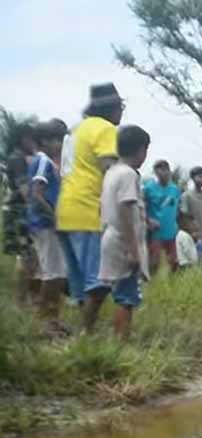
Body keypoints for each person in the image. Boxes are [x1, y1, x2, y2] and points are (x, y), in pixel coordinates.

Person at [56, 83, 123, 327]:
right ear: (112, 108)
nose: (122, 112)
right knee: (99, 283)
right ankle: (85, 335)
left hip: (66, 210)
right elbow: (109, 169)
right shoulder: (105, 129)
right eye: (121, 107)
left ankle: (83, 333)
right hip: (89, 211)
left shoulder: (75, 131)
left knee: (82, 284)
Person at [98, 125, 150, 338]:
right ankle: (121, 340)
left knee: (121, 293)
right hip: (122, 241)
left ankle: (121, 337)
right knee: (126, 297)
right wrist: (132, 250)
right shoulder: (128, 175)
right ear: (140, 150)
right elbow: (125, 209)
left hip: (111, 236)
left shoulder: (112, 172)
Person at [26, 120, 69, 334]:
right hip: (45, 225)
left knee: (57, 273)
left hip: (48, 225)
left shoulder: (49, 162)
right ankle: (44, 322)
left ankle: (53, 319)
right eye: (56, 140)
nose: (59, 145)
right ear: (44, 141)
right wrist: (55, 217)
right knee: (52, 274)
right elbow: (37, 194)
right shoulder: (43, 161)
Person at [3, 122, 38, 306]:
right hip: (18, 212)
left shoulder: (19, 158)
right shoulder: (17, 159)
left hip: (19, 211)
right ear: (24, 139)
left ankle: (27, 300)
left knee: (29, 256)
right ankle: (21, 301)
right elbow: (25, 190)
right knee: (25, 256)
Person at [144, 160, 181, 274]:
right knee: (154, 263)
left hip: (171, 231)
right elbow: (140, 208)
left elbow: (177, 208)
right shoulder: (148, 189)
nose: (164, 173)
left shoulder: (175, 189)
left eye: (166, 169)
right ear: (155, 172)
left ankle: (173, 286)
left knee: (174, 262)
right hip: (156, 232)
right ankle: (152, 285)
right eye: (160, 169)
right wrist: (148, 220)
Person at [180, 166, 202, 248]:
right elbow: (185, 216)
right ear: (193, 178)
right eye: (199, 177)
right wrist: (193, 231)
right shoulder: (186, 196)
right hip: (193, 236)